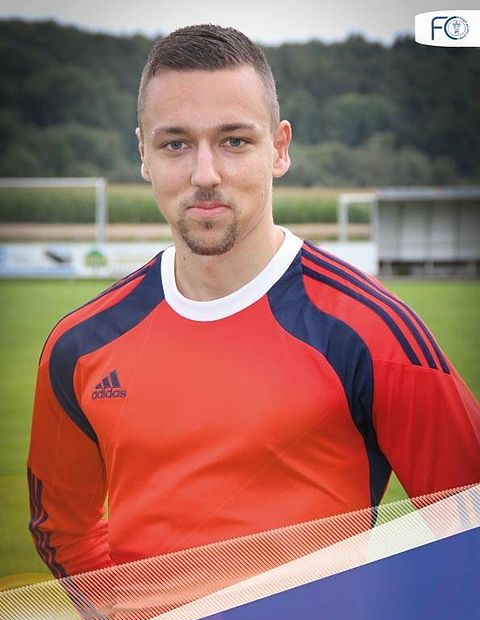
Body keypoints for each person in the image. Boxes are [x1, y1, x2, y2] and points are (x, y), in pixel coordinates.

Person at [27, 24, 480, 578]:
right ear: (144, 153)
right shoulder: (79, 345)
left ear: (280, 148)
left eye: (234, 141)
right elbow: (62, 531)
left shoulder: (373, 331)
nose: (205, 174)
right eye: (175, 144)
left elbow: (469, 521)